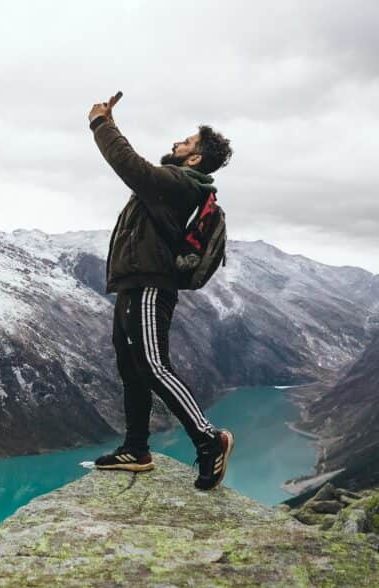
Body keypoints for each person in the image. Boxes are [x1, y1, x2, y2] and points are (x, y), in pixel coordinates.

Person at [86, 92, 235, 491]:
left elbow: (131, 167)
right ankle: (136, 450)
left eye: (185, 143)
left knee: (152, 364)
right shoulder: (175, 184)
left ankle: (209, 439)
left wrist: (103, 123)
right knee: (132, 368)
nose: (176, 143)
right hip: (135, 284)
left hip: (151, 285)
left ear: (195, 159)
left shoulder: (180, 184)